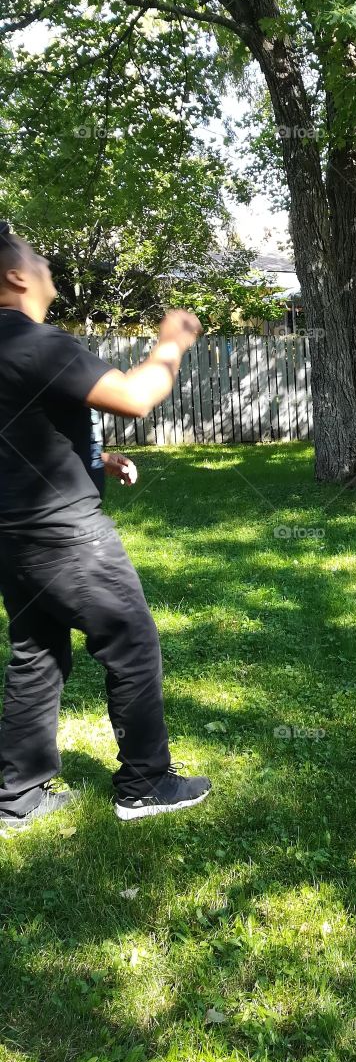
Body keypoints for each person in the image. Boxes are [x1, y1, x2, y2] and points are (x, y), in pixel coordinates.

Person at [0, 223, 212, 829]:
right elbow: (137, 395)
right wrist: (172, 341)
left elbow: (24, 433)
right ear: (16, 276)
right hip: (66, 537)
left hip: (12, 538)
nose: (45, 262)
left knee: (37, 655)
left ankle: (20, 796)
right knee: (133, 642)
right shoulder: (39, 342)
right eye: (35, 253)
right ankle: (144, 784)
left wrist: (98, 459)